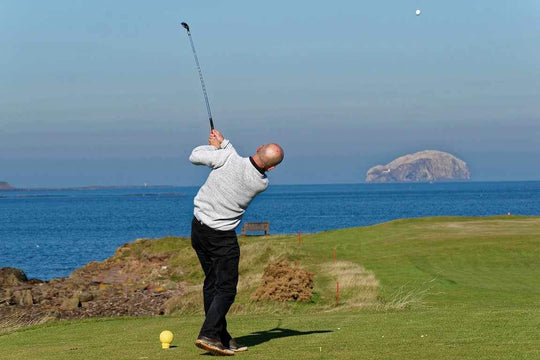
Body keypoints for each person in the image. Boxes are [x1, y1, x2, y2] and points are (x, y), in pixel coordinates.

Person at [189, 129, 284, 356]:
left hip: (199, 229)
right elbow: (240, 163)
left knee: (213, 283)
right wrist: (223, 146)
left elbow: (194, 156)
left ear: (258, 148)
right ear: (271, 168)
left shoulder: (226, 158)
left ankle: (221, 337)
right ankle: (209, 334)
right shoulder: (262, 182)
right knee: (226, 289)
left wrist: (216, 147)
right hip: (221, 237)